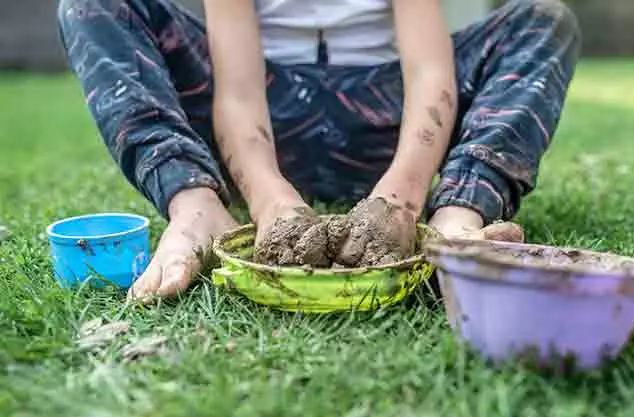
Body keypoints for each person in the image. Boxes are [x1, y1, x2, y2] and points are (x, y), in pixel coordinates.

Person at [57, 0, 580, 300]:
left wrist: (401, 201)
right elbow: (237, 93)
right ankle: (198, 208)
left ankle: (456, 221)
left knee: (542, 20)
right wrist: (269, 202)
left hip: (388, 117)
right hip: (261, 116)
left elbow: (430, 71)